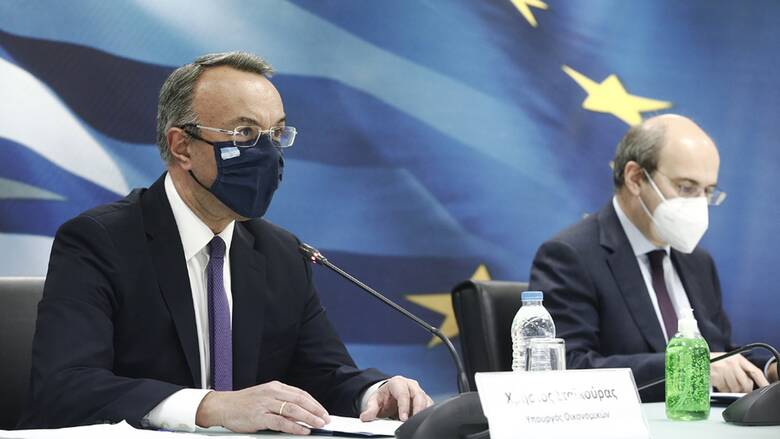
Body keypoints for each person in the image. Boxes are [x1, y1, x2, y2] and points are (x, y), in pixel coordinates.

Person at [19, 52, 432, 434]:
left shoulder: (281, 253)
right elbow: (66, 387)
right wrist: (209, 407)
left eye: (276, 133)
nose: (267, 154)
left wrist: (373, 392)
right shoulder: (99, 241)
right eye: (245, 133)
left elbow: (323, 375)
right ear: (182, 146)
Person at [529, 114, 778, 402]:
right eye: (686, 187)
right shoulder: (570, 255)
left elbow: (720, 357)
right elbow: (567, 369)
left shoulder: (698, 262)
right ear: (635, 178)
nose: (699, 204)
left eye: (708, 192)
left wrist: (770, 370)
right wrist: (689, 366)